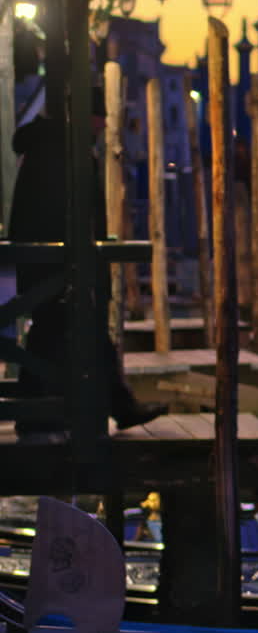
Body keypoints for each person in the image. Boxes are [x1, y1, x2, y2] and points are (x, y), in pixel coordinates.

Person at [8, 104, 167, 441]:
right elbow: (57, 210)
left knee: (54, 332)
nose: (104, 124)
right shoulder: (62, 152)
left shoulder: (53, 147)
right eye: (101, 116)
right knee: (71, 331)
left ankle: (43, 412)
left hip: (51, 265)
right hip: (56, 265)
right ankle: (106, 407)